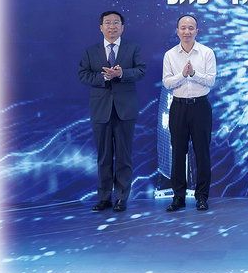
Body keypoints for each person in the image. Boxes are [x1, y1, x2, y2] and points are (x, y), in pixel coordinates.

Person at [78, 11, 146, 212]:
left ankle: (122, 198)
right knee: (104, 157)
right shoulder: (91, 51)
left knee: (124, 157)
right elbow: (83, 75)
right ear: (101, 27)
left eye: (116, 23)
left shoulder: (133, 48)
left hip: (125, 110)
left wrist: (122, 73)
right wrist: (105, 77)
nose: (112, 26)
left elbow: (141, 70)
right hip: (101, 110)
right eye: (108, 23)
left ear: (122, 27)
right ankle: (104, 198)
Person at [162, 15, 216, 212]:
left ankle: (202, 197)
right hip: (178, 107)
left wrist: (194, 74)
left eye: (191, 28)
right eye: (183, 28)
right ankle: (178, 197)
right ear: (177, 31)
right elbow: (167, 83)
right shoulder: (170, 55)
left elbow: (210, 81)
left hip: (200, 107)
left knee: (202, 153)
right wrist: (182, 75)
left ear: (197, 31)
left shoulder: (207, 53)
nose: (187, 31)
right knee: (178, 153)